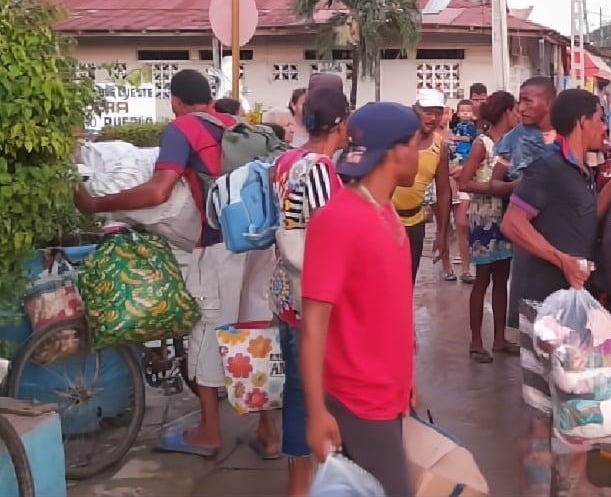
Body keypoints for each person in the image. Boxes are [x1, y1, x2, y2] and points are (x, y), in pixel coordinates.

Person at [72, 68, 278, 458]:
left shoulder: (182, 128)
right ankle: (269, 434)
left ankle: (209, 433)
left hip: (218, 245)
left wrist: (96, 203)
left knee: (208, 333)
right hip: (259, 242)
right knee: (255, 333)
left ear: (175, 101)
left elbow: (158, 190)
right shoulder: (234, 124)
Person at [501, 89, 611, 497]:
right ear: (582, 121)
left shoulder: (578, 171)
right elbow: (512, 223)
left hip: (566, 302)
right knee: (556, 403)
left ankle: (571, 484)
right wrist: (560, 259)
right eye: (599, 118)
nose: (604, 126)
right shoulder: (548, 169)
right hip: (545, 302)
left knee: (568, 398)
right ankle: (555, 487)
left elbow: (580, 227)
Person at [301, 102, 423, 497]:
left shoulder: (385, 209)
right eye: (417, 143)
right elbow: (313, 324)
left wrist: (407, 379)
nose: (420, 154)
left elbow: (388, 307)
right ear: (397, 151)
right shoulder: (338, 218)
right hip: (357, 399)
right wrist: (317, 412)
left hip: (389, 393)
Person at [270, 88, 350, 496]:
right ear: (340, 125)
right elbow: (326, 231)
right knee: (308, 394)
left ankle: (303, 483)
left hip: (286, 292)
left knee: (298, 390)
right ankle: (304, 488)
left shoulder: (286, 160)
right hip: (310, 296)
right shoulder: (319, 168)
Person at [458, 91, 520, 363]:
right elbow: (464, 182)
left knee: (501, 280)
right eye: (515, 110)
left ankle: (498, 338)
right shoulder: (482, 144)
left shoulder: (512, 144)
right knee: (482, 280)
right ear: (506, 112)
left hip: (505, 218)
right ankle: (475, 340)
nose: (519, 115)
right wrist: (499, 189)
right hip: (484, 218)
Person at [391, 88, 452, 282]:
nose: (433, 118)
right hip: (387, 220)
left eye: (438, 113)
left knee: (407, 283)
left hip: (416, 223)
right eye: (428, 112)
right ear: (415, 110)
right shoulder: (396, 140)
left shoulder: (440, 147)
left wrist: (442, 234)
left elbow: (443, 191)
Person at [491, 76, 558, 189]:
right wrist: (520, 186)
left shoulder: (569, 134)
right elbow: (494, 184)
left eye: (528, 102)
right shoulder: (514, 137)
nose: (521, 108)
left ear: (548, 103)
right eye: (520, 101)